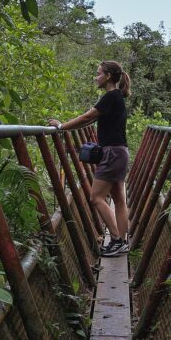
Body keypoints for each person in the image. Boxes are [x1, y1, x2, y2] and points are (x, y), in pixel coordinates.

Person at [49, 61, 131, 257]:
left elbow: (88, 117)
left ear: (108, 76)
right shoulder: (116, 97)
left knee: (96, 198)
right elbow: (92, 119)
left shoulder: (110, 96)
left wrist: (61, 127)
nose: (96, 77)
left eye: (98, 74)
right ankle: (122, 242)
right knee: (119, 198)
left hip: (112, 153)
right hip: (120, 151)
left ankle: (117, 240)